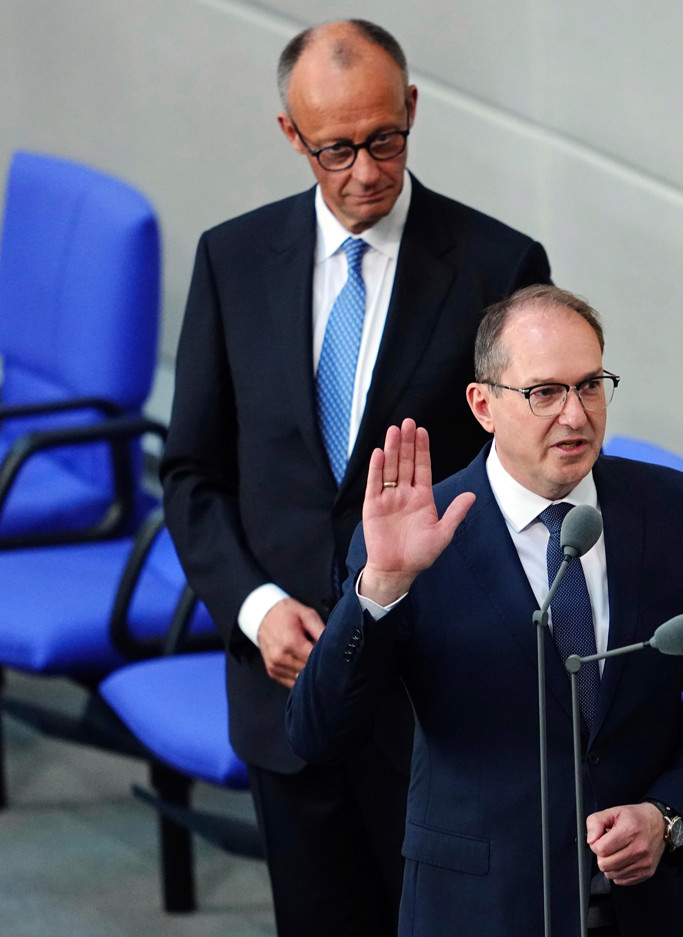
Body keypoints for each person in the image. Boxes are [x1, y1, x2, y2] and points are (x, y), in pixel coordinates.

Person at [160, 19, 551, 937]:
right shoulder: (231, 260)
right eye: (337, 149)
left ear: (412, 110)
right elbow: (191, 472)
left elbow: (530, 480)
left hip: (437, 705)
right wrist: (255, 608)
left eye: (386, 140)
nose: (367, 170)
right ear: (293, 136)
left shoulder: (500, 266)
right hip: (287, 690)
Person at [285, 285, 683, 936]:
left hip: (645, 906)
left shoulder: (672, 508)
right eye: (545, 392)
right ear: (483, 404)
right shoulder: (415, 535)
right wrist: (383, 583)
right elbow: (317, 734)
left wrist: (667, 815)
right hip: (481, 906)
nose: (576, 415)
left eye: (590, 385)